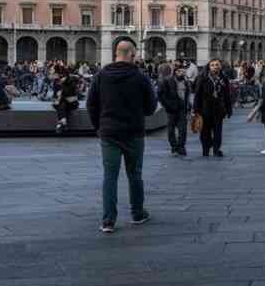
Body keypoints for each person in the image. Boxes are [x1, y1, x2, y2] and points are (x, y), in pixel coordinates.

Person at [87, 40, 157, 234]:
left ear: (116, 53)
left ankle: (108, 221)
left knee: (110, 177)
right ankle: (137, 213)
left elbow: (91, 104)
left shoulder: (100, 75)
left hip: (109, 133)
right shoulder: (140, 77)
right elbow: (151, 107)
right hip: (134, 133)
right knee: (135, 174)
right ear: (132, 56)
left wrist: (99, 126)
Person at [193, 58, 233, 158]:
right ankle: (205, 149)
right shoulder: (202, 77)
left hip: (219, 109)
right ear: (209, 66)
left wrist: (229, 109)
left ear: (220, 66)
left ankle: (216, 149)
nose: (215, 67)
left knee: (218, 131)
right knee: (205, 131)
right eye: (213, 65)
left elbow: (227, 94)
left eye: (217, 65)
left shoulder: (224, 78)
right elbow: (197, 94)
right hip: (205, 109)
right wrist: (195, 110)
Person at [157, 63, 191, 156]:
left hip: (182, 109)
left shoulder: (186, 81)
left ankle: (181, 147)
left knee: (183, 129)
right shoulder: (167, 81)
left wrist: (188, 105)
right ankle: (174, 147)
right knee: (171, 130)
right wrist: (168, 106)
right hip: (171, 109)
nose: (182, 72)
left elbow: (187, 94)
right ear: (175, 72)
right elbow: (160, 95)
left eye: (184, 71)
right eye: (180, 71)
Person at [53, 68, 81, 136]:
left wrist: (61, 92)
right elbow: (55, 94)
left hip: (72, 102)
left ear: (66, 76)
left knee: (62, 103)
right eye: (59, 76)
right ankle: (62, 122)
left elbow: (70, 93)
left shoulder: (72, 81)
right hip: (63, 102)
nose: (60, 78)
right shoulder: (57, 82)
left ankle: (62, 123)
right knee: (62, 104)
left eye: (62, 76)